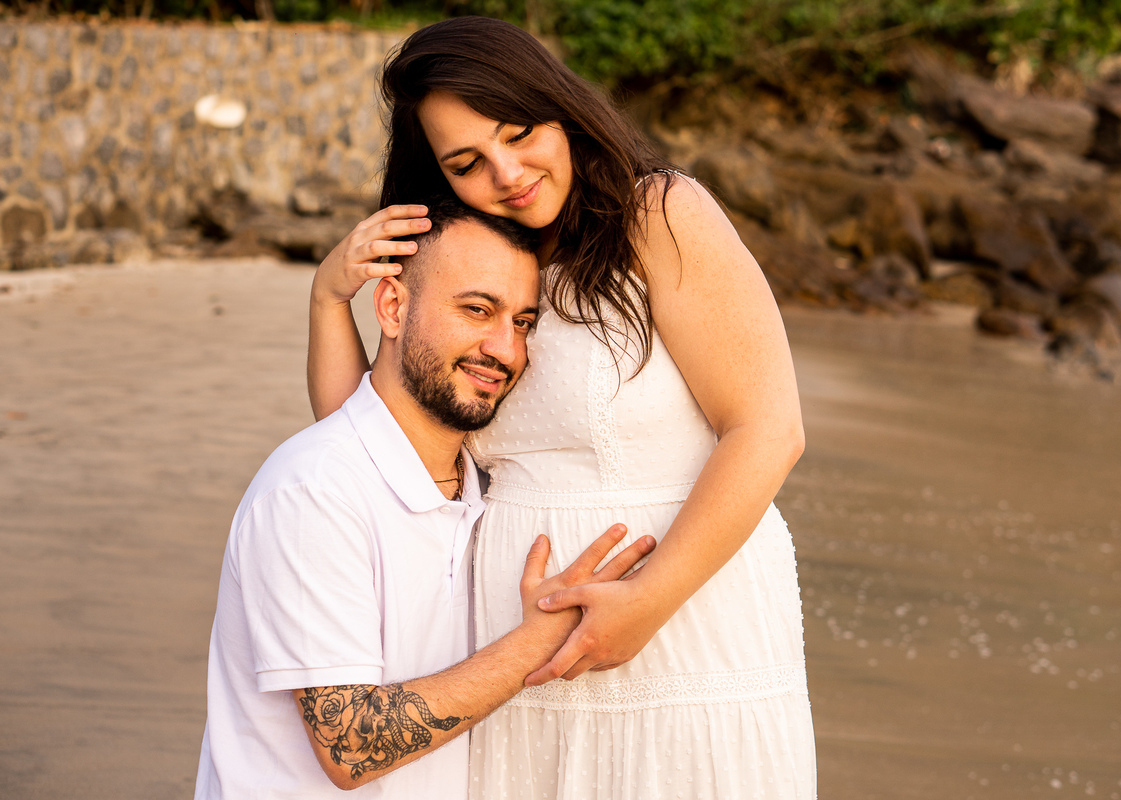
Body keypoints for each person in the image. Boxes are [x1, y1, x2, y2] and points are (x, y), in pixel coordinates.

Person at [308, 16, 816, 799]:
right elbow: (367, 447)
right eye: (468, 163)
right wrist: (327, 297)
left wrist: (647, 604)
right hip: (511, 649)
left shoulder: (658, 214)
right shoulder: (474, 269)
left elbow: (768, 429)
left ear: (562, 108)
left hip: (686, 624)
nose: (508, 172)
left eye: (520, 132)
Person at [194, 198, 656, 800]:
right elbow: (351, 744)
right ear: (391, 305)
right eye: (476, 309)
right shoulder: (312, 492)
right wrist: (541, 639)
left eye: (521, 322)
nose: (505, 350)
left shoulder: (485, 487)